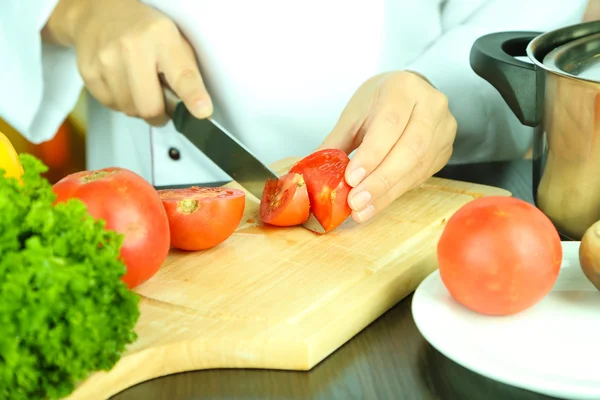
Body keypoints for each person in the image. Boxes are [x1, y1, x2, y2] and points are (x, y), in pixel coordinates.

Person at [0, 0, 589, 224]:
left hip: (406, 203)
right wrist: (73, 10)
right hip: (153, 190)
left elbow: (519, 10)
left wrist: (437, 91)